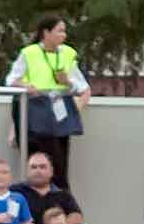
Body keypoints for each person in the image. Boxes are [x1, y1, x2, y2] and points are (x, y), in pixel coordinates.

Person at [7, 17, 88, 188]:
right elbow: (11, 80)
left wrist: (67, 81)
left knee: (60, 164)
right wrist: (25, 86)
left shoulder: (67, 54)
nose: (64, 35)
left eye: (64, 31)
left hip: (59, 114)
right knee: (41, 162)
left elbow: (82, 87)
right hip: (36, 113)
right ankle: (50, 199)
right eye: (60, 30)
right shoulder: (29, 53)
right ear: (46, 33)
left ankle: (60, 200)